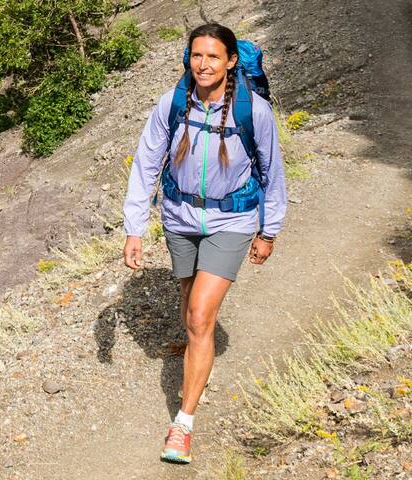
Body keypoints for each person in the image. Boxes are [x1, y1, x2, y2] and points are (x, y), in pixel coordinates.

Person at [120, 22, 287, 465]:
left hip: (231, 220)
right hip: (178, 217)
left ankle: (184, 423)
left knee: (198, 313)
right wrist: (134, 229)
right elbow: (146, 163)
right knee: (188, 301)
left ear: (231, 61)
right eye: (197, 56)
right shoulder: (173, 104)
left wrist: (269, 230)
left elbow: (272, 173)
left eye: (214, 57)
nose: (204, 64)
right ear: (188, 59)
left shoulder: (255, 112)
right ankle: (199, 344)